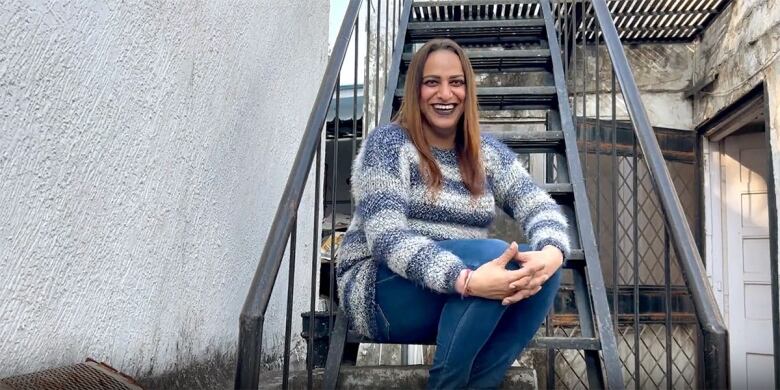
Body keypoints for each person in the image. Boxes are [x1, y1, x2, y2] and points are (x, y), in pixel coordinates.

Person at [336, 38, 570, 389]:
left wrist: (552, 253)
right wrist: (465, 279)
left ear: (467, 90)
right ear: (416, 90)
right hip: (379, 293)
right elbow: (386, 238)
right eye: (432, 82)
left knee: (543, 269)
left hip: (456, 296)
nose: (445, 94)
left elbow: (537, 204)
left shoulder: (485, 153)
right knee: (495, 258)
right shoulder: (388, 145)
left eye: (456, 82)